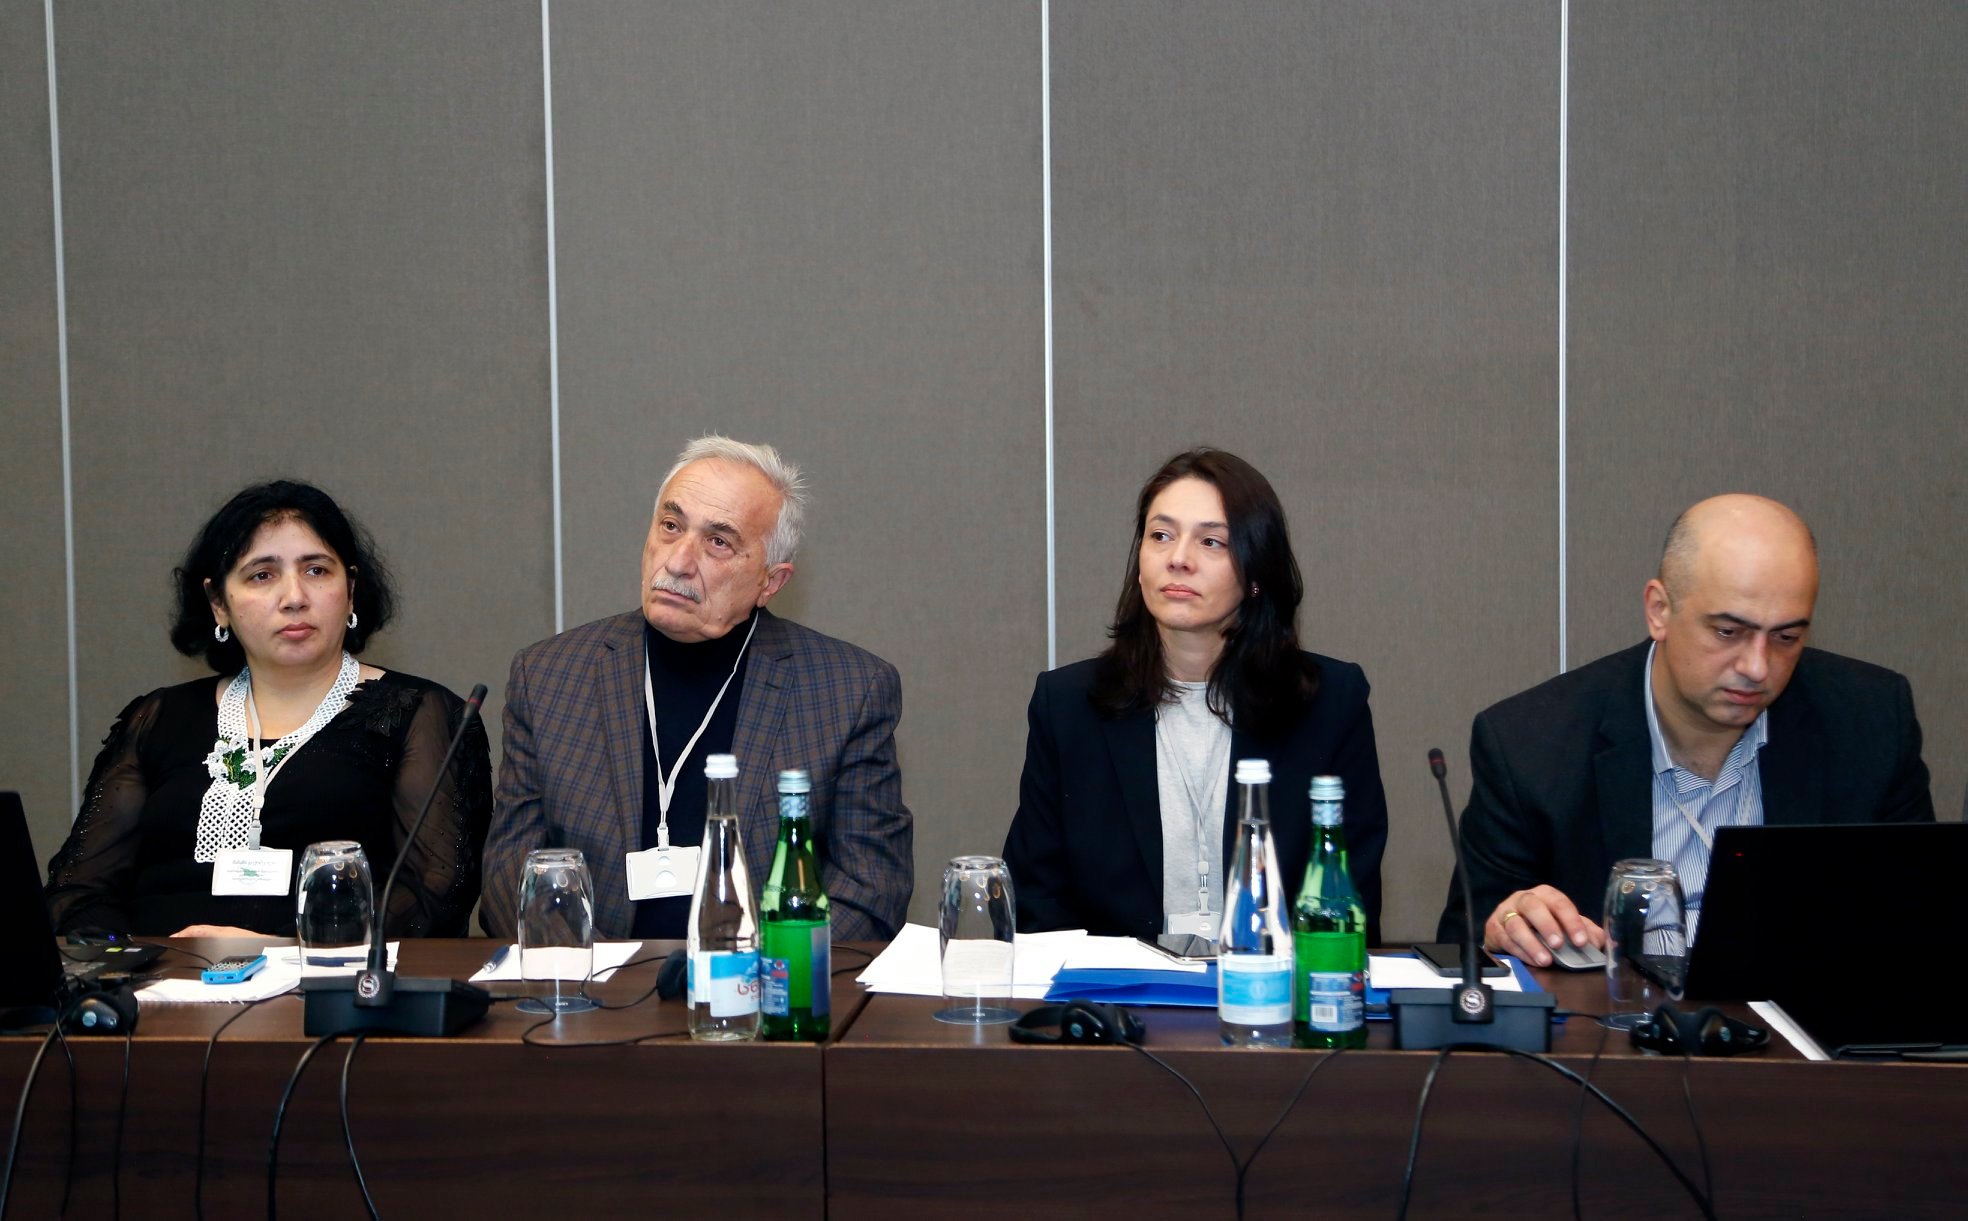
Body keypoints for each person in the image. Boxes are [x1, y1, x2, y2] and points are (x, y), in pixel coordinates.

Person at [1440, 494, 1933, 964]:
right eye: (1728, 632)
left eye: (1786, 637)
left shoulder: (1871, 722)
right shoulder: (1530, 745)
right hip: (1610, 1020)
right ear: (1659, 610)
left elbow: (1923, 924)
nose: (1758, 667)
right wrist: (1505, 926)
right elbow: (1463, 944)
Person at [481, 435, 912, 941]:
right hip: (593, 982)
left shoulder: (848, 691)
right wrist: (603, 973)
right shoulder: (550, 677)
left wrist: (734, 972)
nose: (678, 561)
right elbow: (510, 875)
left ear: (770, 582)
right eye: (671, 526)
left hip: (759, 981)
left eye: (718, 542)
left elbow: (869, 892)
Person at [45, 481, 492, 938]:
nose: (294, 597)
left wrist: (281, 948)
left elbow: (434, 897)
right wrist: (136, 957)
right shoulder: (157, 718)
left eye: (316, 570)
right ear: (218, 603)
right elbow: (77, 890)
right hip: (160, 974)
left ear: (351, 590)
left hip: (322, 975)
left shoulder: (419, 715)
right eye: (262, 575)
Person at [1003, 447, 1389, 948]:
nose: (1178, 559)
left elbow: (1348, 900)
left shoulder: (1329, 703)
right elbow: (1037, 904)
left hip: (1274, 986)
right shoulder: (1069, 706)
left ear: (1256, 573)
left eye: (1211, 542)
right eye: (1161, 535)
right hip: (1117, 992)